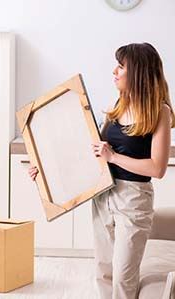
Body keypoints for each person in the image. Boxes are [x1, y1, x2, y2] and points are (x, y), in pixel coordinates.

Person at [29, 42, 174, 299]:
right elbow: (94, 153)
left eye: (121, 66)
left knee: (123, 275)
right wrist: (43, 169)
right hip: (103, 192)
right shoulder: (118, 104)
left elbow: (157, 167)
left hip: (134, 198)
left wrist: (114, 157)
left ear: (138, 73)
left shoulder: (159, 112)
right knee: (103, 271)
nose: (115, 72)